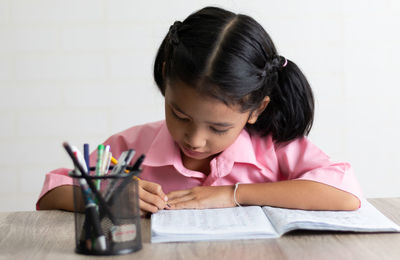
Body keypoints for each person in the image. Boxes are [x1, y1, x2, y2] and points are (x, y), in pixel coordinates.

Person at [37, 6, 362, 216]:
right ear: (165, 78)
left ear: (256, 110)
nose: (194, 139)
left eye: (219, 128)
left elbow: (345, 193)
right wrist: (108, 195)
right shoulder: (131, 148)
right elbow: (52, 191)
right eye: (179, 115)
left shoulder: (273, 148)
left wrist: (233, 195)